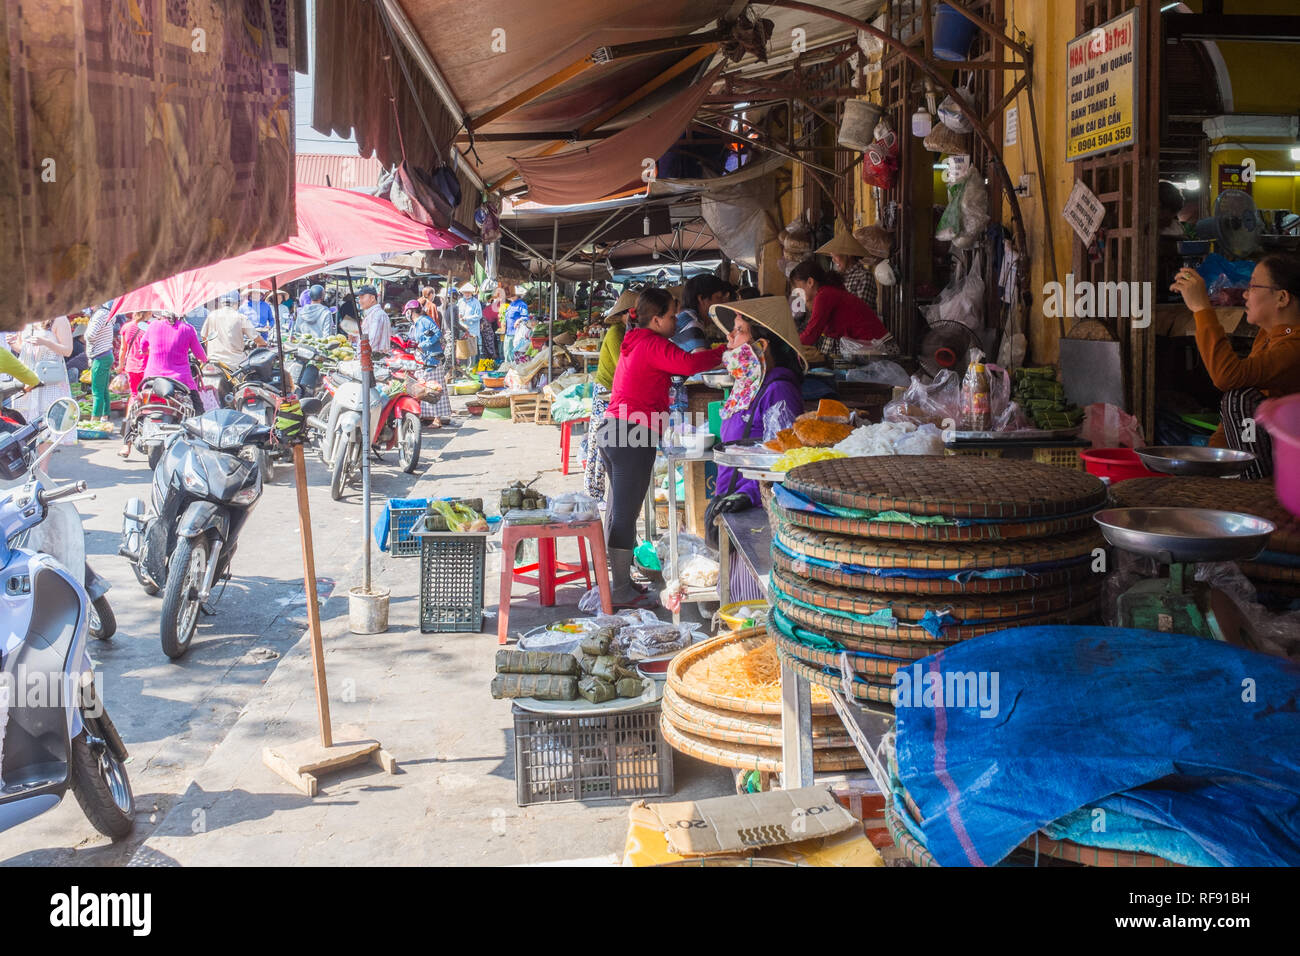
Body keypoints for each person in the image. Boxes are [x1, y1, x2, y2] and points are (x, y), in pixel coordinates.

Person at [597, 288, 725, 607]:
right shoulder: (651, 343)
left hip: (615, 430)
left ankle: (618, 583)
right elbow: (688, 365)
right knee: (624, 515)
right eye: (671, 316)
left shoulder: (635, 339)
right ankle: (620, 589)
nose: (675, 321)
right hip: (631, 433)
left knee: (617, 513)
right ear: (655, 320)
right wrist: (729, 353)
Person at [705, 297, 808, 598]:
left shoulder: (779, 390)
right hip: (736, 514)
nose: (728, 339)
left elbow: (785, 463)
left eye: (738, 331)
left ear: (761, 345)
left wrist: (745, 496)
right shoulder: (749, 387)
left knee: (750, 606)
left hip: (758, 520)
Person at [1171, 254, 1300, 479]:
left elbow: (1227, 377)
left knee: (1240, 398)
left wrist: (1202, 308)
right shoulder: (1268, 336)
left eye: (1253, 287)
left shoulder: (1294, 343)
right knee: (1238, 398)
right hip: (1274, 453)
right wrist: (1206, 466)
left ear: (1282, 298)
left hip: (1289, 468)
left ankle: (1252, 485)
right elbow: (1233, 422)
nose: (1245, 294)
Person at [583, 290, 637, 501]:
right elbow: (623, 365)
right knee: (599, 444)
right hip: (606, 391)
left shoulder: (627, 332)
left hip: (616, 392)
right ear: (627, 314)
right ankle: (594, 494)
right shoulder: (616, 333)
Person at [790, 258, 887, 353]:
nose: (798, 295)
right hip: (874, 346)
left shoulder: (824, 295)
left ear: (810, 282)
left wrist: (789, 346)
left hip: (880, 349)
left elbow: (811, 334)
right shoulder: (829, 292)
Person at [13, 315, 74, 443]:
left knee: (46, 426)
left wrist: (46, 342)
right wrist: (13, 344)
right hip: (27, 377)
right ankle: (31, 462)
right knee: (25, 425)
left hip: (48, 379)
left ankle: (42, 464)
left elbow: (68, 350)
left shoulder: (59, 319)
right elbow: (24, 350)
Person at [202, 292, 266, 403]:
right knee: (243, 390)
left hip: (212, 361)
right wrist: (263, 344)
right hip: (233, 364)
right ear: (237, 303)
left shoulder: (211, 316)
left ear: (222, 303)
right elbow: (256, 337)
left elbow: (204, 336)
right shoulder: (240, 317)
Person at [140, 310, 207, 393]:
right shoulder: (187, 329)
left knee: (138, 402)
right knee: (197, 403)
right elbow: (199, 354)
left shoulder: (153, 325)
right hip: (180, 380)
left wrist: (148, 351)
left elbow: (142, 346)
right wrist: (205, 360)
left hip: (152, 378)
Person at [410, 301, 452, 427]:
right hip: (425, 359)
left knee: (433, 388)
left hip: (432, 358)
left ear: (411, 312)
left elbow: (438, 333)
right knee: (425, 387)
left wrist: (424, 345)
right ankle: (429, 416)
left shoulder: (424, 320)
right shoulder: (416, 324)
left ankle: (437, 419)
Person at [817, 229, 879, 312]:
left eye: (835, 256)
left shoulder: (864, 277)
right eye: (832, 257)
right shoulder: (838, 277)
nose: (833, 260)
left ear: (848, 254)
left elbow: (861, 311)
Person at [672, 274, 731, 353]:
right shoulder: (692, 324)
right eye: (719, 297)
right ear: (701, 299)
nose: (723, 303)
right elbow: (700, 360)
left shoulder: (686, 316)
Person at [84, 302, 117, 424]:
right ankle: (105, 415)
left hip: (100, 356)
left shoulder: (100, 314)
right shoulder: (106, 313)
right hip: (105, 354)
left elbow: (91, 335)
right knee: (103, 389)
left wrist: (86, 332)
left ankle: (95, 419)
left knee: (97, 390)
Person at [356, 284, 391, 357]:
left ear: (372, 298)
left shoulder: (377, 315)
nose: (360, 301)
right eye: (359, 298)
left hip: (374, 361)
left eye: (362, 298)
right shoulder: (372, 314)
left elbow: (372, 340)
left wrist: (360, 355)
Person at [457, 282, 482, 367]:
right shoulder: (460, 302)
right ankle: (464, 367)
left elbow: (479, 315)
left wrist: (466, 318)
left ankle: (472, 367)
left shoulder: (476, 302)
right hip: (462, 329)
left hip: (472, 330)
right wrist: (459, 316)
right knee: (463, 349)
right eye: (465, 292)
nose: (467, 294)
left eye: (468, 292)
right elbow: (457, 313)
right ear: (463, 293)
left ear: (472, 293)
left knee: (472, 350)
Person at [501, 286, 530, 363]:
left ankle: (512, 369)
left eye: (513, 295)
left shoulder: (521, 304)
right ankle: (507, 368)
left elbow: (525, 317)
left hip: (516, 334)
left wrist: (518, 320)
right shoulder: (511, 304)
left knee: (513, 353)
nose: (511, 296)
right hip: (508, 332)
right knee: (507, 351)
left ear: (517, 295)